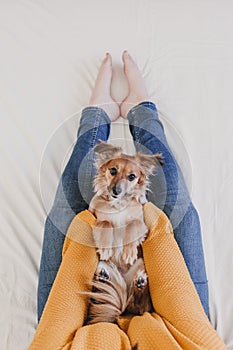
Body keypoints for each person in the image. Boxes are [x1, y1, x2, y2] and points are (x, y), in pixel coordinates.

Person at [30, 51, 226, 349]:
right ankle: (141, 111)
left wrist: (94, 222)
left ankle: (97, 115)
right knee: (176, 203)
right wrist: (142, 217)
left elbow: (54, 334)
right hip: (169, 325)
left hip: (78, 324)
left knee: (66, 206)